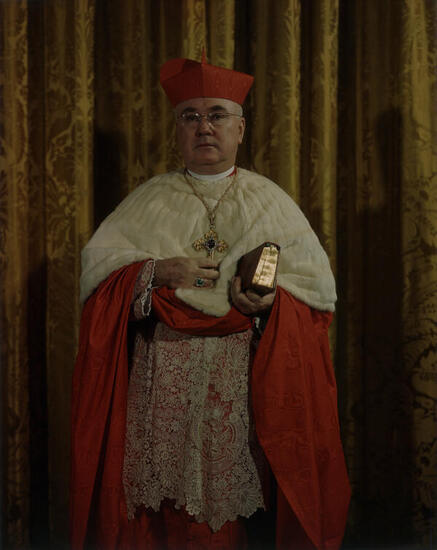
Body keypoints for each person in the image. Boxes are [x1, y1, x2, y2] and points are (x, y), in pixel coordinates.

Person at [70, 54, 351, 550]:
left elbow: (314, 302)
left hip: (239, 391)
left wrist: (269, 304)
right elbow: (100, 289)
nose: (204, 127)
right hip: (161, 387)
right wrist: (156, 272)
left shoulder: (271, 201)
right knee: (160, 516)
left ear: (240, 129)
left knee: (232, 522)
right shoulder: (147, 200)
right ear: (177, 130)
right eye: (190, 116)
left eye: (217, 115)